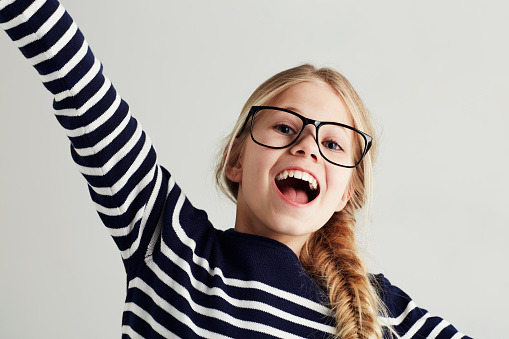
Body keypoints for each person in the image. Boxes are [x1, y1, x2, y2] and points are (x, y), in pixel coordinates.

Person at [0, 0, 472, 338]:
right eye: (286, 128)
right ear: (237, 160)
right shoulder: (170, 245)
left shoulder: (382, 314)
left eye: (331, 142)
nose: (308, 146)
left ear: (347, 192)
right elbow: (82, 91)